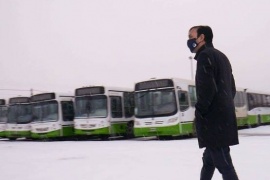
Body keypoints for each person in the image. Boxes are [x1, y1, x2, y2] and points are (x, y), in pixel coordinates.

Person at [187, 25, 239, 180]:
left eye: (191, 36)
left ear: (201, 37)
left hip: (213, 121)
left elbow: (206, 90)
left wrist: (200, 113)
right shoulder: (222, 57)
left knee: (224, 164)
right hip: (223, 120)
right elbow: (232, 89)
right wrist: (224, 107)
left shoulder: (205, 56)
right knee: (209, 161)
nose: (189, 41)